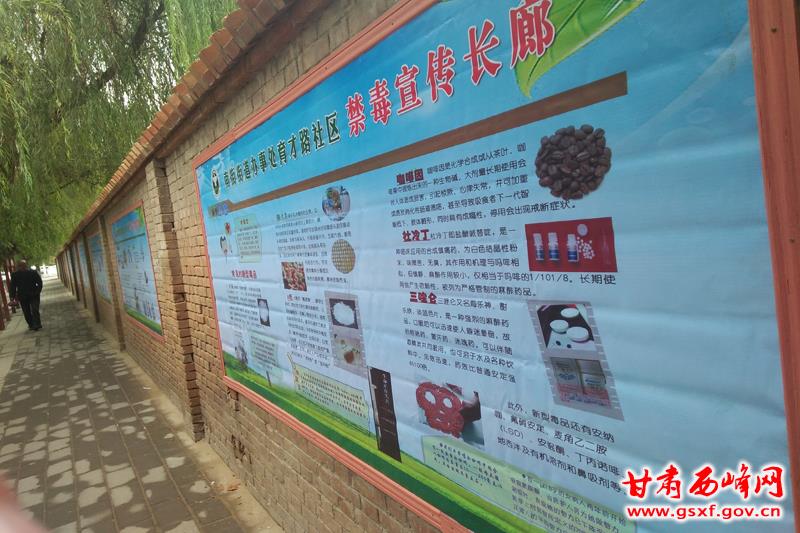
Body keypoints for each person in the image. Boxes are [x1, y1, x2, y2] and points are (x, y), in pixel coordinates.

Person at [9, 260, 43, 331]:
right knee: (26, 312)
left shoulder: (33, 272)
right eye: (21, 266)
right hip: (22, 296)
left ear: (26, 265)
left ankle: (37, 324)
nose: (22, 267)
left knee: (35, 309)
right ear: (18, 267)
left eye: (24, 265)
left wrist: (38, 292)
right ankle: (31, 324)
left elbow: (39, 282)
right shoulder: (15, 275)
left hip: (34, 295)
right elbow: (13, 286)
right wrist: (12, 297)